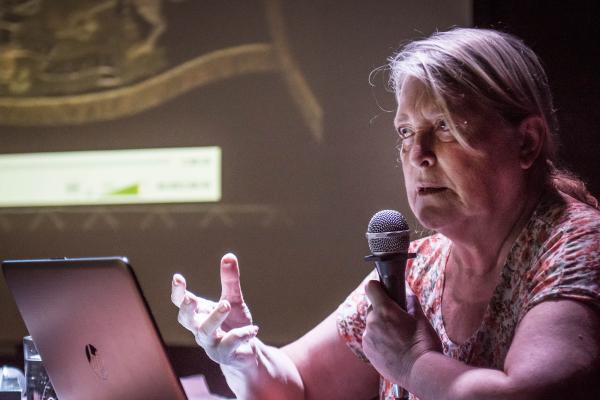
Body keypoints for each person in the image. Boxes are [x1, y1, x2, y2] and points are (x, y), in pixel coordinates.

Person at [171, 27, 600, 400]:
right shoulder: (420, 267)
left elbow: (529, 395)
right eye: (406, 131)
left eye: (445, 126)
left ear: (526, 142)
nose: (418, 153)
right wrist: (245, 357)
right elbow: (297, 385)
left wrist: (413, 363)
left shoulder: (578, 244)